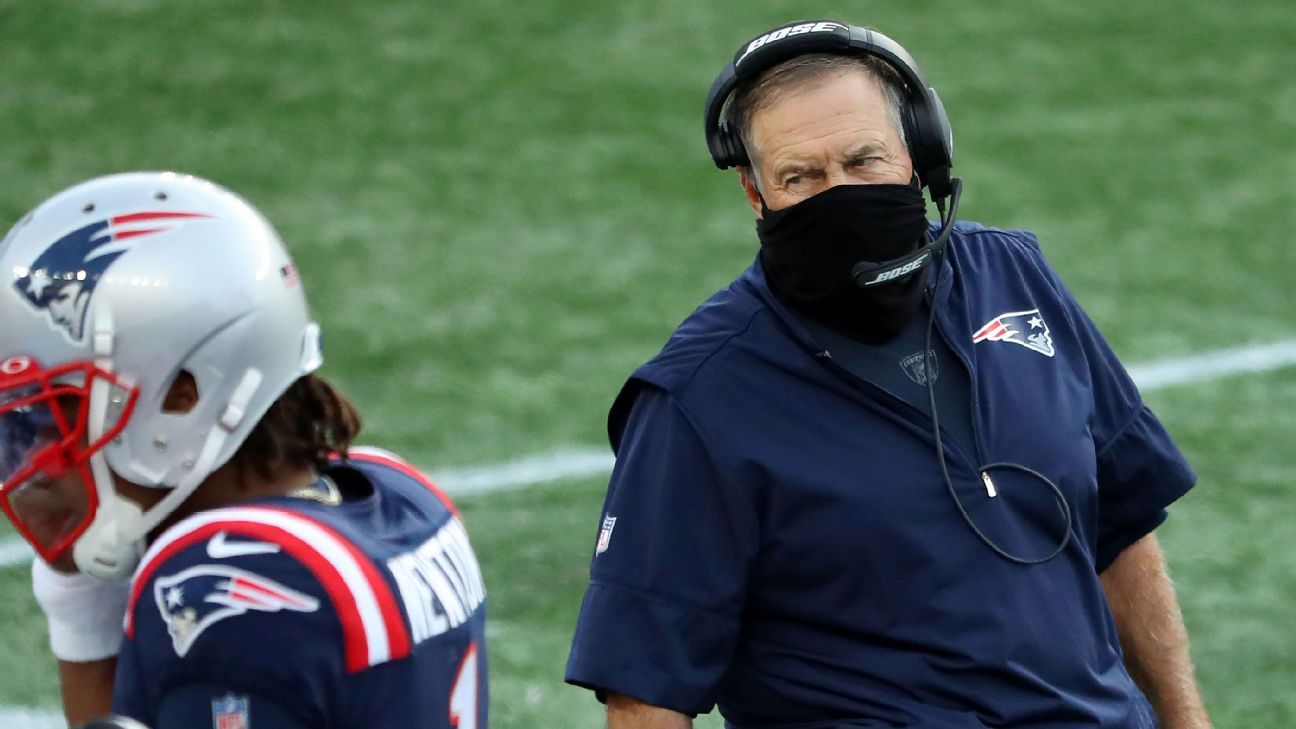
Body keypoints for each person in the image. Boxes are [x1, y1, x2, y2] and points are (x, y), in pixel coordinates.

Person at [565, 19, 1211, 729]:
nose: (840, 195)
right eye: (801, 176)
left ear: (918, 154)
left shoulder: (1013, 277)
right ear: (755, 194)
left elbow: (1120, 526)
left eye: (863, 160)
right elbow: (645, 693)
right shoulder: (697, 397)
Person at [0, 172, 488, 729]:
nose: (33, 460)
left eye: (53, 418)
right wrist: (81, 604)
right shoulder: (401, 495)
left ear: (181, 397)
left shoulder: (238, 581)